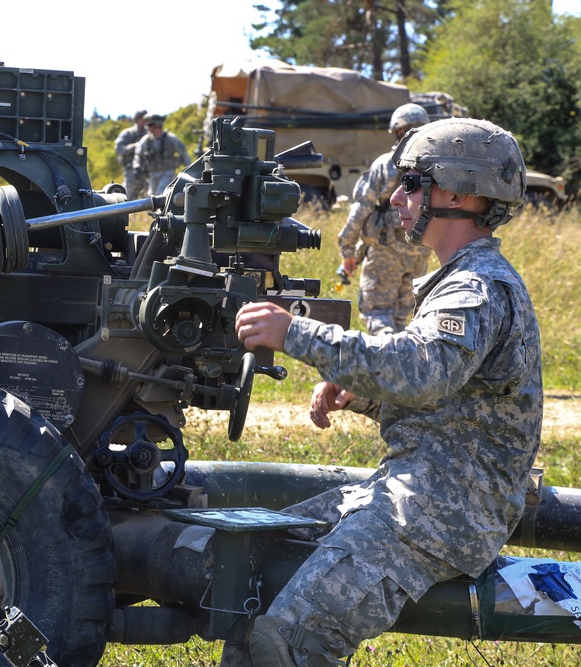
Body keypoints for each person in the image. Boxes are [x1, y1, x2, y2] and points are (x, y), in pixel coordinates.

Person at [226, 117, 542, 666]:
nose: (397, 197)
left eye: (413, 184)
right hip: (419, 494)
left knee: (289, 641)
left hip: (445, 512)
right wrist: (365, 396)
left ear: (460, 194)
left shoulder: (477, 287)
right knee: (252, 573)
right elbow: (453, 399)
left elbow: (421, 370)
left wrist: (294, 332)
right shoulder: (459, 280)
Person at [338, 103, 433, 335]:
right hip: (420, 253)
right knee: (403, 318)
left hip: (384, 252)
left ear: (398, 130)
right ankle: (401, 355)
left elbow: (361, 208)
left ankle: (386, 354)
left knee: (377, 313)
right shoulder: (433, 167)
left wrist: (347, 249)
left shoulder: (385, 164)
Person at [133, 113, 190, 196]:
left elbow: (184, 154)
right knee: (151, 196)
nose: (147, 127)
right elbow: (138, 154)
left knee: (162, 195)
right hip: (152, 175)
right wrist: (136, 166)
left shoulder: (171, 139)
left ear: (157, 125)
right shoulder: (145, 141)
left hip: (168, 174)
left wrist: (189, 172)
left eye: (149, 125)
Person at [114, 109, 148, 199]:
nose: (144, 122)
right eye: (142, 119)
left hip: (148, 171)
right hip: (131, 171)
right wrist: (136, 146)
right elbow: (119, 149)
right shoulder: (127, 134)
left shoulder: (149, 134)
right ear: (136, 120)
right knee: (127, 198)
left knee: (152, 198)